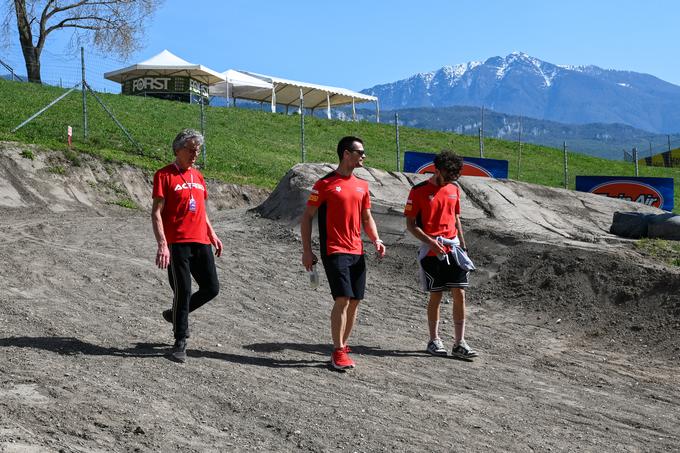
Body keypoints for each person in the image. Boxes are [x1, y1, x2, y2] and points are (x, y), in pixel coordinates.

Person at [300, 136, 386, 370]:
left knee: (355, 301)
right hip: (334, 250)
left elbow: (367, 217)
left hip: (357, 250)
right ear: (346, 154)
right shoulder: (324, 184)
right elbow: (307, 217)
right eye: (360, 152)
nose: (363, 156)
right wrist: (307, 250)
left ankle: (343, 346)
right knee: (343, 298)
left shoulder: (362, 186)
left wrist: (376, 239)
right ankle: (338, 351)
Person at [151, 129, 223, 363]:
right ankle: (180, 340)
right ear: (178, 149)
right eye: (191, 150)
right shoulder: (164, 175)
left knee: (211, 288)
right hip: (177, 243)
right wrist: (163, 244)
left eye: (197, 150)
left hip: (200, 241)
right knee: (183, 291)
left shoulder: (199, 177)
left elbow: (202, 210)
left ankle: (174, 315)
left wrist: (212, 234)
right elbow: (156, 213)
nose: (195, 154)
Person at [404, 150, 479, 360]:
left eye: (453, 178)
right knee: (436, 295)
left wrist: (463, 247)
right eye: (446, 177)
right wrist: (430, 242)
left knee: (460, 294)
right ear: (436, 170)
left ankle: (459, 342)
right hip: (431, 251)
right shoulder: (418, 191)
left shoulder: (454, 189)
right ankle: (434, 339)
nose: (449, 181)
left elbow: (456, 218)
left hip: (453, 248)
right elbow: (410, 224)